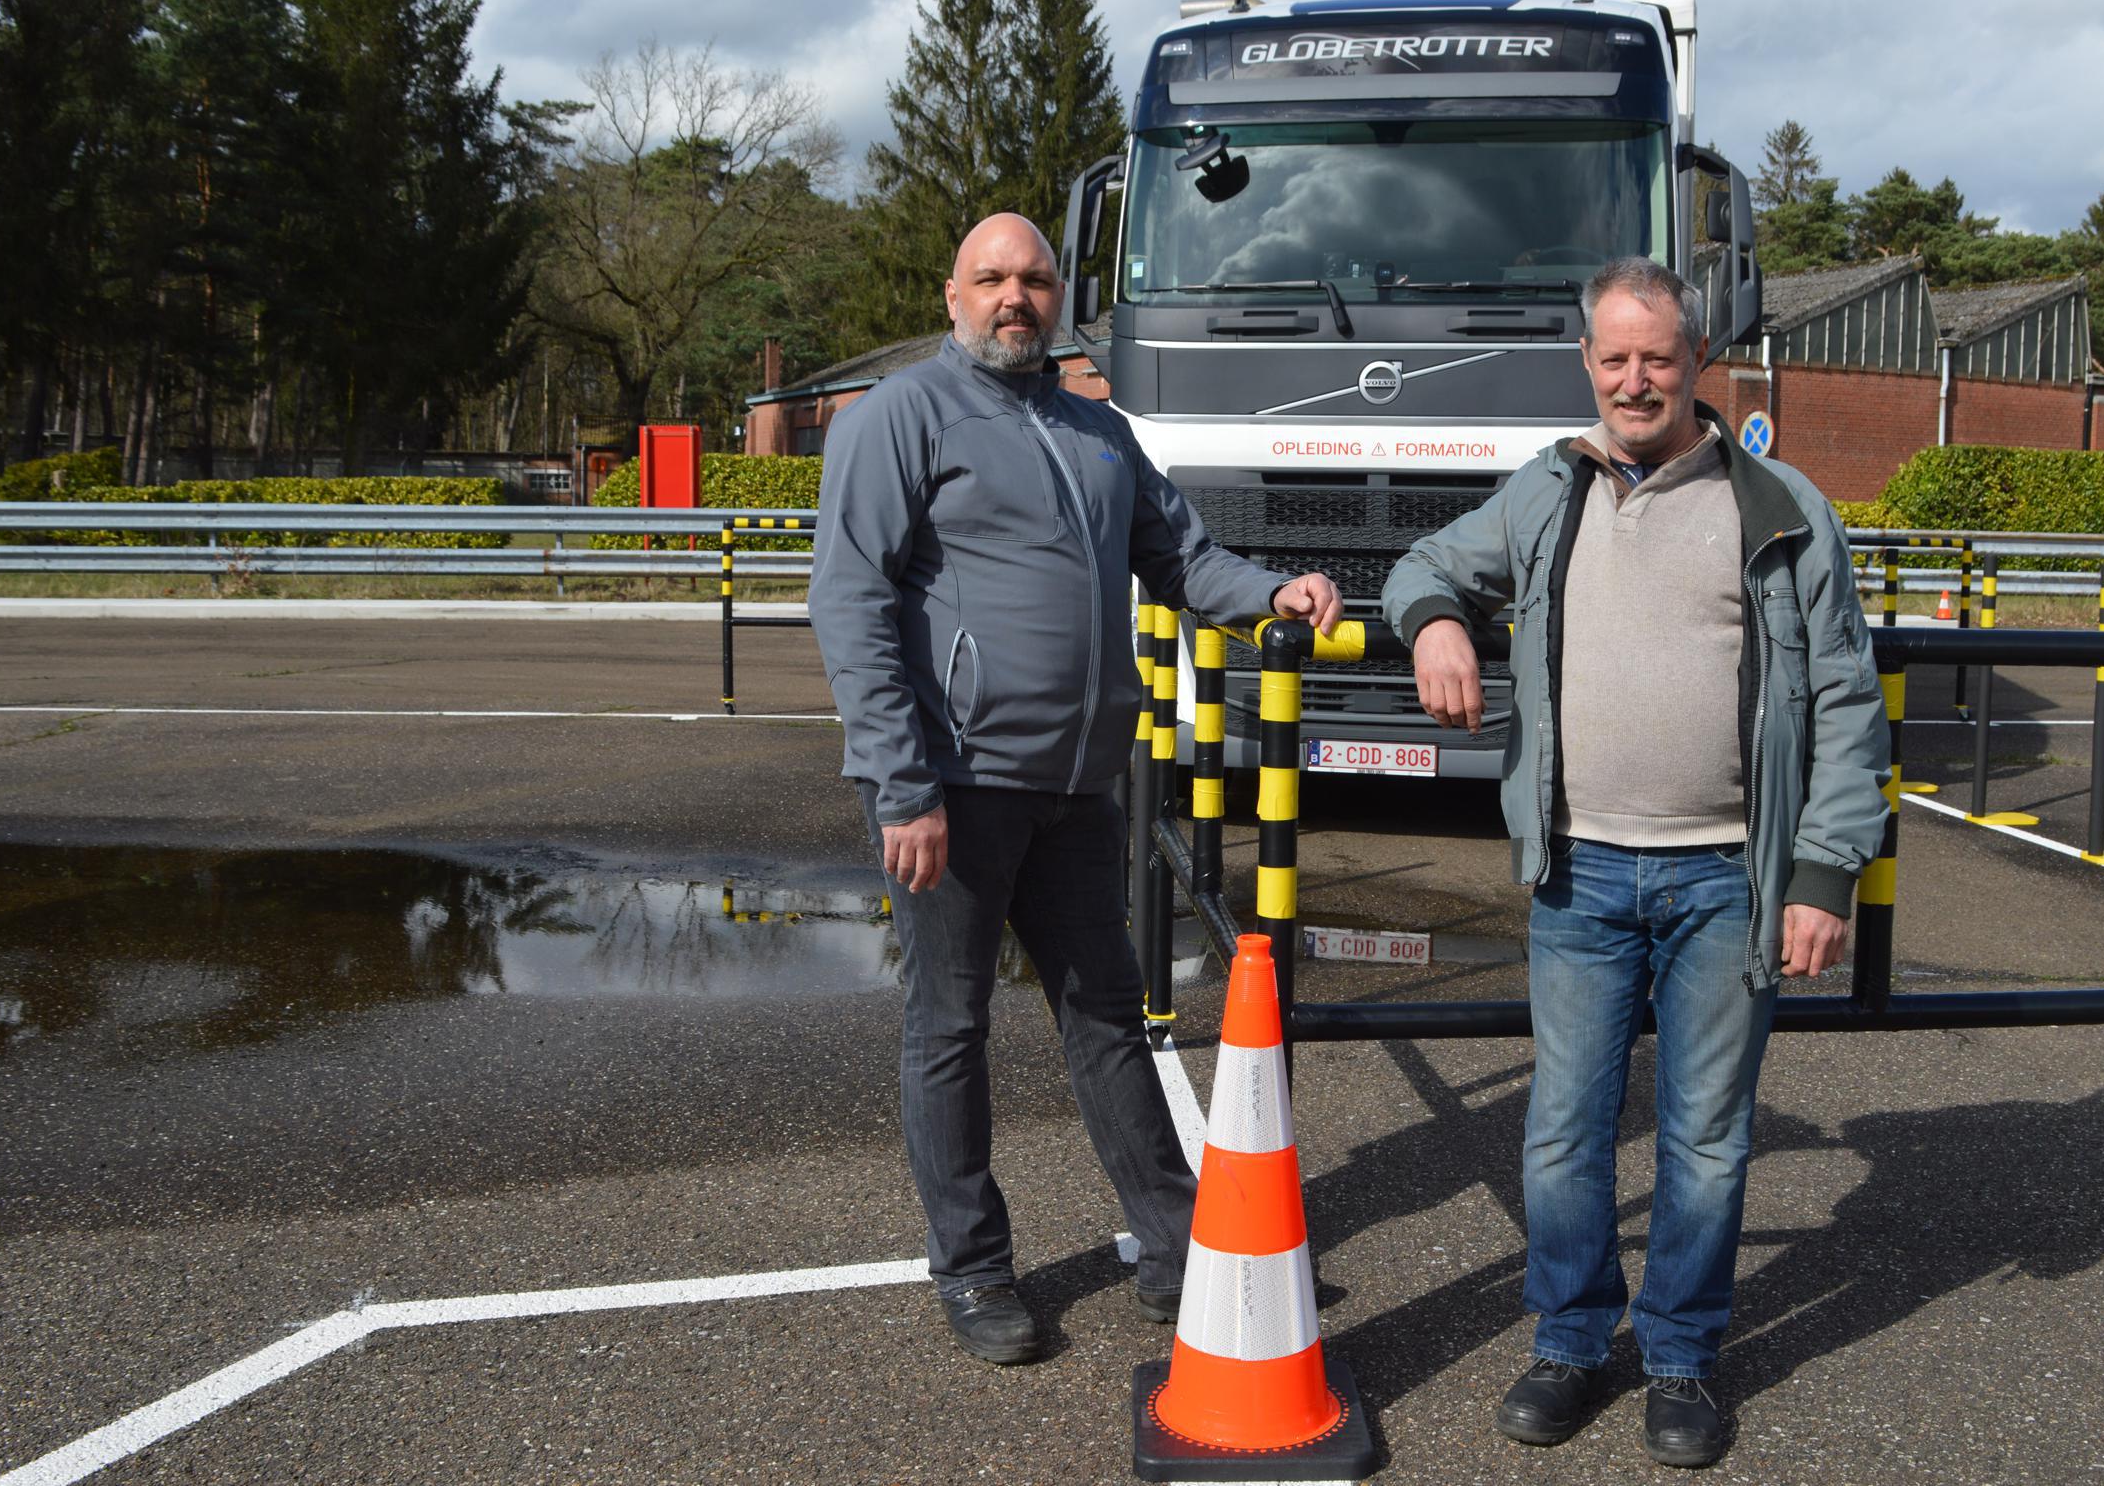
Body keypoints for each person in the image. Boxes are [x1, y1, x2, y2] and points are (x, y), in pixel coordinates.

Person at [809, 213, 1343, 1366]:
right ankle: (974, 1268)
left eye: (1034, 278)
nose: (1015, 296)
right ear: (952, 295)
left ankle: (1176, 1246)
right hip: (951, 784)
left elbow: (1187, 557)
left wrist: (1273, 594)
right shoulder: (899, 417)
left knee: (1108, 1012)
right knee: (947, 1024)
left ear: (1058, 297)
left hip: (1077, 786)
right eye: (991, 277)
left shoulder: (1098, 430)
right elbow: (849, 603)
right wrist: (903, 785)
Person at [1382, 256, 1888, 1467]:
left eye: (1654, 355)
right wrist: (1437, 621)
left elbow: (1844, 699)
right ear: (1587, 365)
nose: (1632, 377)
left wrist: (1822, 873)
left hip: (1729, 878)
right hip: (1579, 872)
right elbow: (1418, 565)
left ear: (1696, 363)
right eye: (1611, 357)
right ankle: (1567, 1341)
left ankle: (1678, 1357)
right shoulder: (1545, 493)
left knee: (1706, 1136)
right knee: (1561, 1129)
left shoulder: (1779, 507)